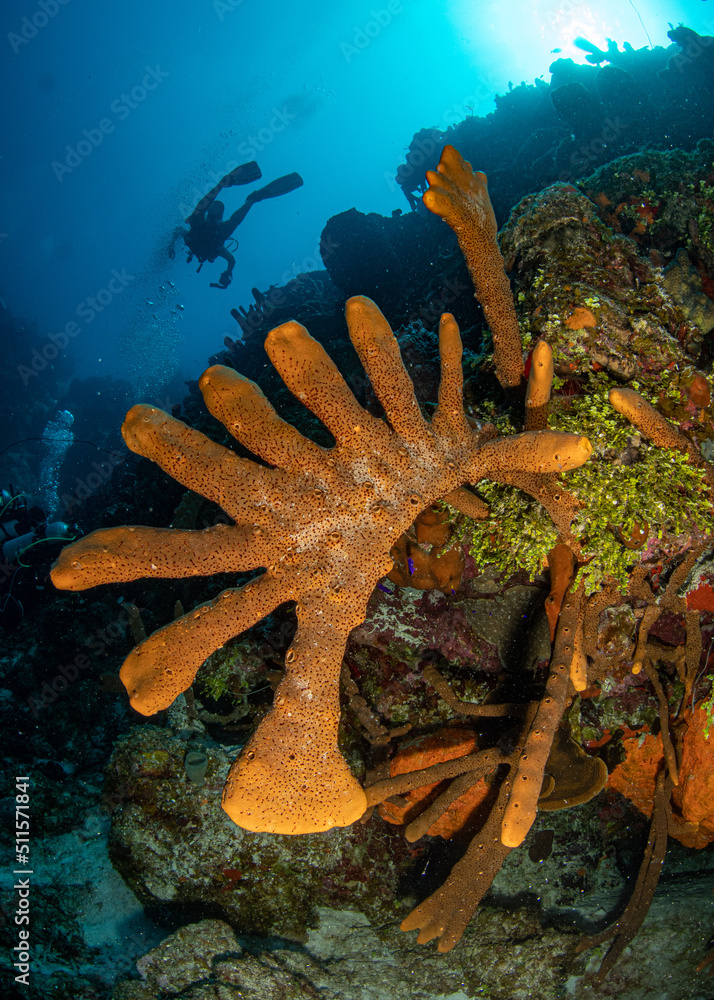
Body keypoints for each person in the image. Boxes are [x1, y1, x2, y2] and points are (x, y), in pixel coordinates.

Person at [169, 162, 304, 288]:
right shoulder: (213, 232)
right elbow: (231, 260)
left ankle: (244, 196)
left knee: (199, 218)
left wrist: (228, 272)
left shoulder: (210, 230)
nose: (215, 211)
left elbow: (180, 230)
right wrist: (228, 272)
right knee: (200, 218)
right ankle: (247, 198)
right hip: (208, 239)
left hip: (206, 237)